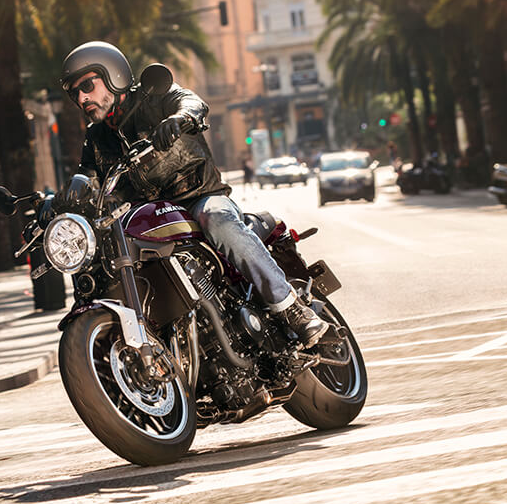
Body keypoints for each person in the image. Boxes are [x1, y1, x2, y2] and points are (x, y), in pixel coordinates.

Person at [59, 41, 330, 347]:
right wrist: (60, 198)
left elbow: (192, 102)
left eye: (86, 85)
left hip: (198, 197)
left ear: (113, 76)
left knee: (216, 218)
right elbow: (87, 173)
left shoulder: (154, 97)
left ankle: (291, 308)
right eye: (74, 93)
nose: (81, 98)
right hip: (149, 219)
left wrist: (179, 119)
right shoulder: (95, 138)